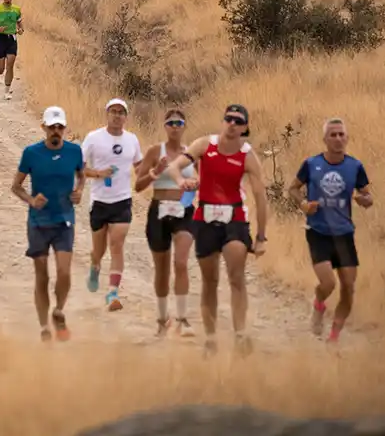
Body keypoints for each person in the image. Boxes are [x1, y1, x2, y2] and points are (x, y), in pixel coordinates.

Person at [158, 104, 269, 357]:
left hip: (235, 218)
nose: (232, 124)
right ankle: (210, 338)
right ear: (222, 122)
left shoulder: (247, 155)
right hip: (205, 217)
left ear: (245, 128)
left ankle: (240, 335)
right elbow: (174, 167)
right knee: (210, 280)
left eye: (238, 121)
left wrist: (261, 237)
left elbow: (261, 197)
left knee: (235, 273)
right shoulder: (204, 145)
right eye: (228, 119)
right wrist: (181, 181)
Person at [289, 117, 373, 344]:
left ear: (347, 138)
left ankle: (334, 336)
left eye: (341, 134)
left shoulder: (355, 166)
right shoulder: (311, 164)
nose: (337, 138)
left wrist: (364, 199)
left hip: (344, 233)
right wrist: (303, 204)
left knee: (348, 287)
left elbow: (367, 195)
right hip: (318, 232)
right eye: (333, 135)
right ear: (324, 139)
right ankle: (318, 304)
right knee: (328, 283)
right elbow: (293, 188)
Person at [11, 106, 85, 342]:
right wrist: (32, 201)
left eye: (59, 127)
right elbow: (16, 186)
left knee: (64, 271)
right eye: (51, 127)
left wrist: (79, 191)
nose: (56, 131)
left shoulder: (74, 152)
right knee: (41, 276)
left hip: (64, 219)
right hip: (38, 222)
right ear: (43, 127)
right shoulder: (31, 153)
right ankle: (44, 326)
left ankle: (59, 310)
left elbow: (81, 175)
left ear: (64, 129)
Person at [134, 108, 198, 338]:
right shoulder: (155, 151)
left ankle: (182, 319)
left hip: (185, 211)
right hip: (159, 210)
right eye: (170, 122)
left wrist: (195, 183)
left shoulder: (192, 153)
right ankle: (162, 320)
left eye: (179, 122)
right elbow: (138, 185)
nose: (174, 126)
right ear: (165, 126)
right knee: (162, 269)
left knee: (181, 262)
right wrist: (155, 172)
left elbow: (203, 180)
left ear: (184, 126)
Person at [82, 98, 144, 312]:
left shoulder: (132, 140)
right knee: (98, 250)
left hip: (122, 200)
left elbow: (139, 166)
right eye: (113, 111)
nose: (117, 115)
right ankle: (95, 265)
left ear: (126, 117)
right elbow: (78, 168)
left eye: (121, 112)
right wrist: (98, 173)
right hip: (99, 201)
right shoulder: (93, 138)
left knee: (117, 244)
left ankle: (112, 293)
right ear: (107, 114)